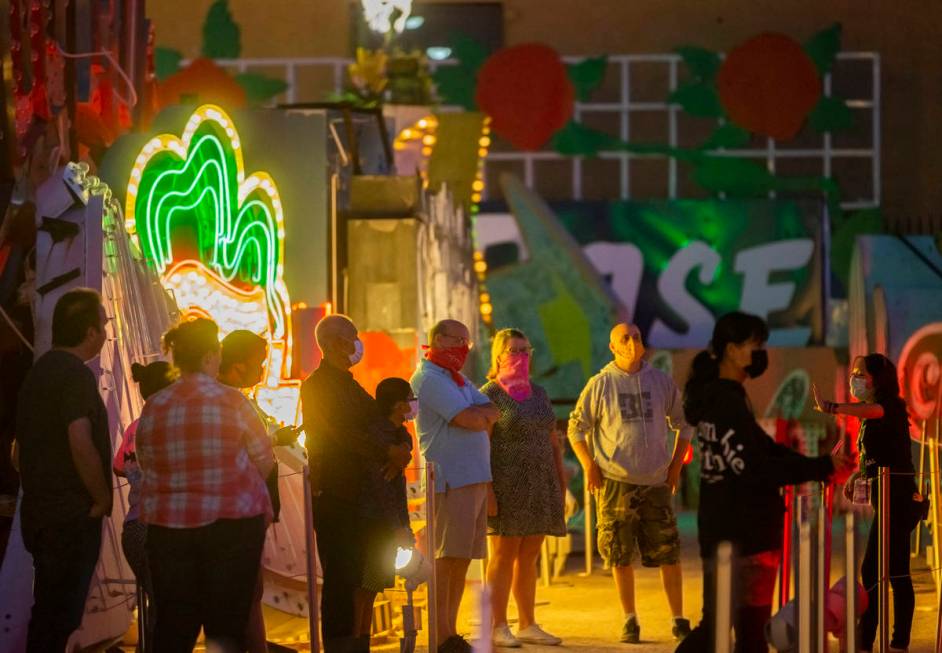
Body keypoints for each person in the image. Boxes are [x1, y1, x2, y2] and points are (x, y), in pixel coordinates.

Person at [677, 312, 850, 653]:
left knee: (727, 630)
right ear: (731, 350)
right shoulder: (725, 401)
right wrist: (819, 467)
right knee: (742, 633)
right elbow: (755, 468)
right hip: (744, 535)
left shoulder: (726, 397)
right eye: (755, 345)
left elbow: (764, 448)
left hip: (727, 531)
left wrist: (823, 465)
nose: (760, 352)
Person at [136, 318, 275, 653]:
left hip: (167, 529)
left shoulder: (155, 405)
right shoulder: (233, 402)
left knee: (173, 623)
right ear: (212, 356)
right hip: (231, 528)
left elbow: (144, 460)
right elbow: (264, 458)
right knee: (225, 626)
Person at [568, 323, 693, 643]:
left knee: (668, 552)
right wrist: (589, 465)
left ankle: (678, 617)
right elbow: (576, 429)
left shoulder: (660, 381)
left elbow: (684, 424)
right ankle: (630, 618)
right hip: (616, 481)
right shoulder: (601, 384)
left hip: (655, 482)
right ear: (612, 346)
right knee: (618, 552)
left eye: (636, 336)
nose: (632, 342)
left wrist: (676, 466)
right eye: (624, 338)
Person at [301, 314, 412, 653]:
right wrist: (387, 450)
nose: (356, 345)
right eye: (351, 338)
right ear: (334, 343)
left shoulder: (350, 383)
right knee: (342, 577)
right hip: (336, 491)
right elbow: (339, 433)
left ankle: (359, 643)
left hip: (365, 493)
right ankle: (340, 646)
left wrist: (401, 447)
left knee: (367, 576)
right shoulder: (317, 386)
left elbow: (381, 420)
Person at [16, 288, 111, 653]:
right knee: (61, 616)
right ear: (89, 332)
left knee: (47, 611)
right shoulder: (75, 376)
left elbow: (18, 451)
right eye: (102, 324)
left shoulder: (37, 374)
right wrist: (100, 498)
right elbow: (79, 437)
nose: (104, 332)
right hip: (71, 515)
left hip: (40, 513)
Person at [813, 354, 919, 652]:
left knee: (876, 569)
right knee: (895, 569)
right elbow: (879, 452)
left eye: (861, 373)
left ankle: (873, 639)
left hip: (897, 499)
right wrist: (858, 475)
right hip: (883, 495)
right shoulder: (875, 414)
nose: (855, 377)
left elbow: (869, 412)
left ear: (878, 378)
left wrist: (831, 408)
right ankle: (888, 640)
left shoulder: (889, 407)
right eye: (854, 372)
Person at [411, 319, 499, 653]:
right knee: (445, 558)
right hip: (450, 479)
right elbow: (471, 418)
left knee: (462, 559)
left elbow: (494, 410)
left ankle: (451, 631)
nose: (462, 347)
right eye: (456, 340)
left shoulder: (457, 380)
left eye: (467, 341)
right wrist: (480, 416)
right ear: (437, 340)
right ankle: (440, 634)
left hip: (473, 477)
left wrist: (481, 415)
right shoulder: (430, 379)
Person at [481, 328, 566, 648]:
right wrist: (488, 490)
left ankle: (528, 622)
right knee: (503, 555)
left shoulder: (539, 393)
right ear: (499, 355)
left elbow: (552, 439)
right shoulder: (489, 393)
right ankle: (497, 624)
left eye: (525, 350)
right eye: (513, 350)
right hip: (507, 484)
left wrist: (559, 481)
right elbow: (483, 444)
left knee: (530, 554)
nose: (520, 356)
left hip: (539, 482)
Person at [218, 329, 301, 653]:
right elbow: (259, 455)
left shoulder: (238, 398)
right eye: (259, 362)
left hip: (240, 511)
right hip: (239, 511)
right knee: (245, 590)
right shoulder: (232, 399)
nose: (262, 369)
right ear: (237, 365)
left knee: (247, 590)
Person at [113, 360, 176, 650]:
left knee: (159, 603)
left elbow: (117, 466)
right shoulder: (169, 425)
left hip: (133, 526)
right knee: (167, 606)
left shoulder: (134, 428)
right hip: (158, 527)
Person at [357, 377, 416, 638]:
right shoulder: (379, 437)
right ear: (399, 406)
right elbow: (380, 488)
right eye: (410, 399)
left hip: (385, 522)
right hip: (374, 522)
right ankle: (357, 640)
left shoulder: (397, 435)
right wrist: (398, 528)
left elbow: (406, 440)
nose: (414, 405)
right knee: (364, 587)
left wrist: (404, 451)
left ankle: (362, 641)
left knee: (372, 587)